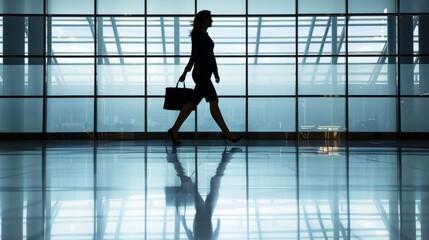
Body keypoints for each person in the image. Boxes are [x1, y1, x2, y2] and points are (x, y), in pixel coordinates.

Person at [167, 10, 242, 145]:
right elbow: (194, 55)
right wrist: (186, 71)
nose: (212, 20)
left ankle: (174, 130)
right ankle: (226, 132)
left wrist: (215, 72)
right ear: (203, 20)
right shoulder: (197, 35)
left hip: (205, 73)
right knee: (213, 101)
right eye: (210, 18)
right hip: (200, 74)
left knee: (191, 103)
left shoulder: (204, 35)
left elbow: (210, 56)